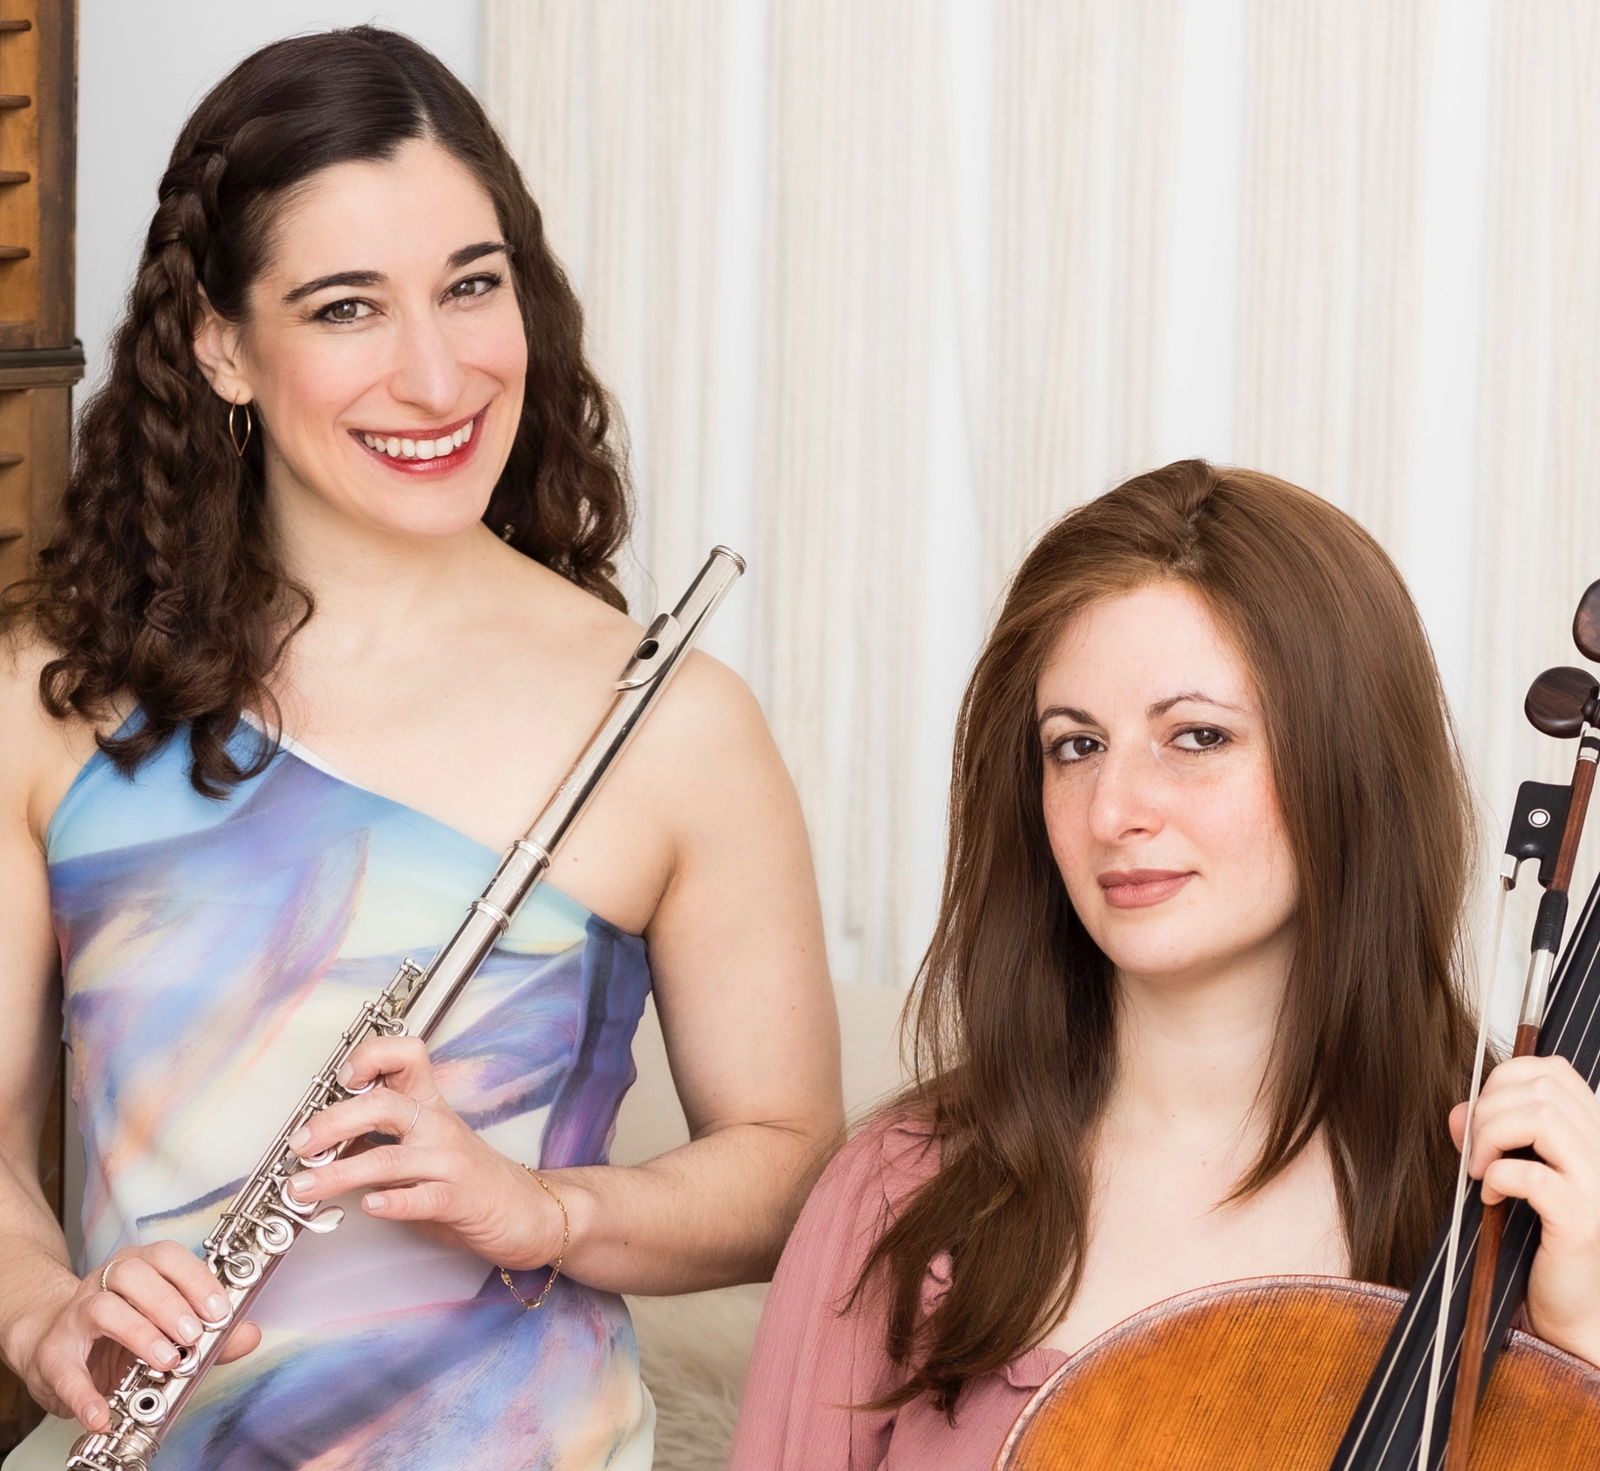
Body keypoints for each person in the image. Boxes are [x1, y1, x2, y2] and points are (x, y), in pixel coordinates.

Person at [0, 26, 841, 1471]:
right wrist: (37, 1309)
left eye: (471, 285)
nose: (438, 374)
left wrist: (547, 1208)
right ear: (218, 342)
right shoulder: (46, 694)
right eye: (347, 307)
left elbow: (790, 1166)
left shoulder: (674, 720)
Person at [730, 459, 1600, 1469]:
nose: (1113, 810)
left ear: (1347, 763)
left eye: (1196, 736)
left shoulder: (1519, 1212)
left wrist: (1585, 1335)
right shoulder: (901, 1191)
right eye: (1075, 746)